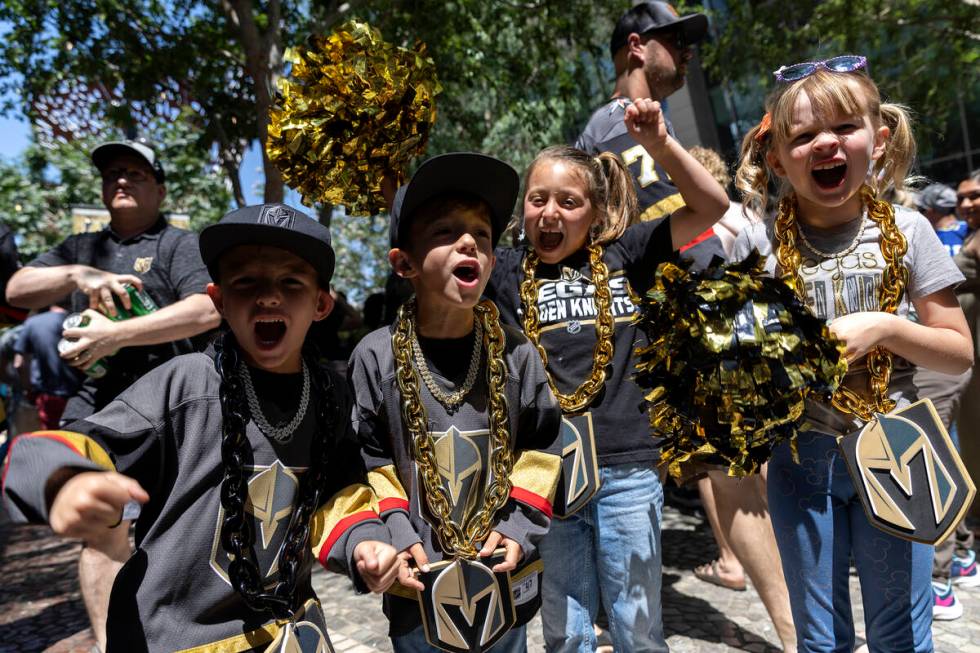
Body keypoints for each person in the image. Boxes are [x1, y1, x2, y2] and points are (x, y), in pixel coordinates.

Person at [2, 203, 406, 652]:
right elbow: (67, 446)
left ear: (321, 304)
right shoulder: (185, 384)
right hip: (177, 637)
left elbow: (341, 492)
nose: (268, 296)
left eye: (290, 281)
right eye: (245, 281)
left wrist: (364, 543)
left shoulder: (331, 392)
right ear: (217, 301)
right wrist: (67, 480)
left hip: (292, 632)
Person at [733, 55, 973, 652]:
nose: (825, 144)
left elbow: (958, 352)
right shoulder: (759, 248)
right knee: (820, 639)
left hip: (897, 452)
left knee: (900, 634)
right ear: (777, 158)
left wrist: (886, 327)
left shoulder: (910, 230)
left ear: (879, 139)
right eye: (804, 135)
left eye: (843, 128)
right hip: (800, 464)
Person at [483, 99, 727, 651]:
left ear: (594, 213)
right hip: (546, 475)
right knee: (565, 631)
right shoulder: (505, 272)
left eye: (568, 203)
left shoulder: (628, 254)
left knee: (636, 625)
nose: (550, 214)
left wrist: (662, 144)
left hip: (628, 468)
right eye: (537, 199)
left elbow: (711, 206)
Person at [4, 138, 221, 651]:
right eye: (112, 174)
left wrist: (118, 333)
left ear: (160, 189)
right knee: (103, 526)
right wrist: (81, 274)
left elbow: (207, 310)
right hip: (96, 409)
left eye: (136, 173)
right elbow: (14, 290)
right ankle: (109, 644)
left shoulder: (179, 244)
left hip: (172, 409)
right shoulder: (82, 249)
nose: (121, 180)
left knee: (179, 530)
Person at [350, 152, 564, 652]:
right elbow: (369, 459)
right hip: (417, 591)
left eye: (482, 236)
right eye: (445, 232)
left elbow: (542, 446)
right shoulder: (375, 357)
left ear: (491, 260)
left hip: (505, 583)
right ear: (404, 263)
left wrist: (516, 527)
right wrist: (398, 536)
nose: (469, 241)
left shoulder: (516, 353)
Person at [577, 2, 726, 271]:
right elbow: (689, 250)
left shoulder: (635, 123)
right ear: (636, 46)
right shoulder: (619, 123)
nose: (688, 53)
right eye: (677, 40)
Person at [13, 306, 82, 429]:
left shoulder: (31, 323)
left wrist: (28, 389)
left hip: (49, 396)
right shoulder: (74, 318)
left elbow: (19, 364)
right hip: (81, 394)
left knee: (55, 438)